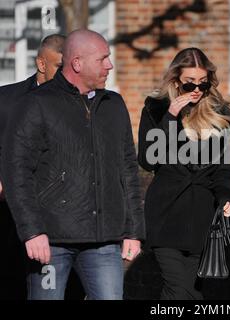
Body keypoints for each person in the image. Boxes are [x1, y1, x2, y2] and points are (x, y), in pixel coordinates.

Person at [1, 29, 144, 300]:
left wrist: (133, 231)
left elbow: (128, 170)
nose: (109, 65)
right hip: (50, 242)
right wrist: (32, 231)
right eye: (103, 59)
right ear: (77, 63)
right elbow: (16, 169)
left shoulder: (114, 105)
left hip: (103, 241)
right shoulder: (36, 104)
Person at [138, 47, 230, 299]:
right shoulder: (156, 107)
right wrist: (170, 117)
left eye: (203, 84)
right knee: (177, 289)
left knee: (194, 292)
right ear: (175, 80)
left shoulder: (220, 112)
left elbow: (223, 168)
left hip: (202, 215)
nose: (196, 90)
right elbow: (149, 159)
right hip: (166, 213)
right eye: (189, 84)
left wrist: (225, 197)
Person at [0, 33, 65, 300]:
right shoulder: (6, 99)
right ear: (41, 64)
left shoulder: (82, 102)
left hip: (60, 213)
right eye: (60, 67)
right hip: (10, 208)